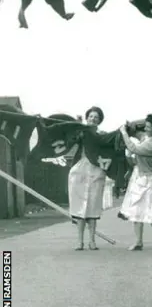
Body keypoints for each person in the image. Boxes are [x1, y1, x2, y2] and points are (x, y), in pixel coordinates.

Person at [118, 114, 152, 251]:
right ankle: (138, 241)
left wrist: (123, 132)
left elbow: (134, 148)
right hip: (139, 177)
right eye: (146, 125)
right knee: (135, 210)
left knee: (151, 210)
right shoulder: (147, 138)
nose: (145, 128)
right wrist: (130, 128)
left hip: (150, 179)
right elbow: (138, 135)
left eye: (149, 126)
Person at [68, 106, 107, 251]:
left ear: (99, 121)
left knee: (92, 206)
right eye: (91, 116)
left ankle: (92, 241)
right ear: (87, 118)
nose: (93, 119)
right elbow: (69, 139)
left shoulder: (102, 135)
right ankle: (80, 241)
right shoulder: (81, 133)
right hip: (80, 170)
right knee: (79, 207)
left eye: (96, 117)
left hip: (95, 171)